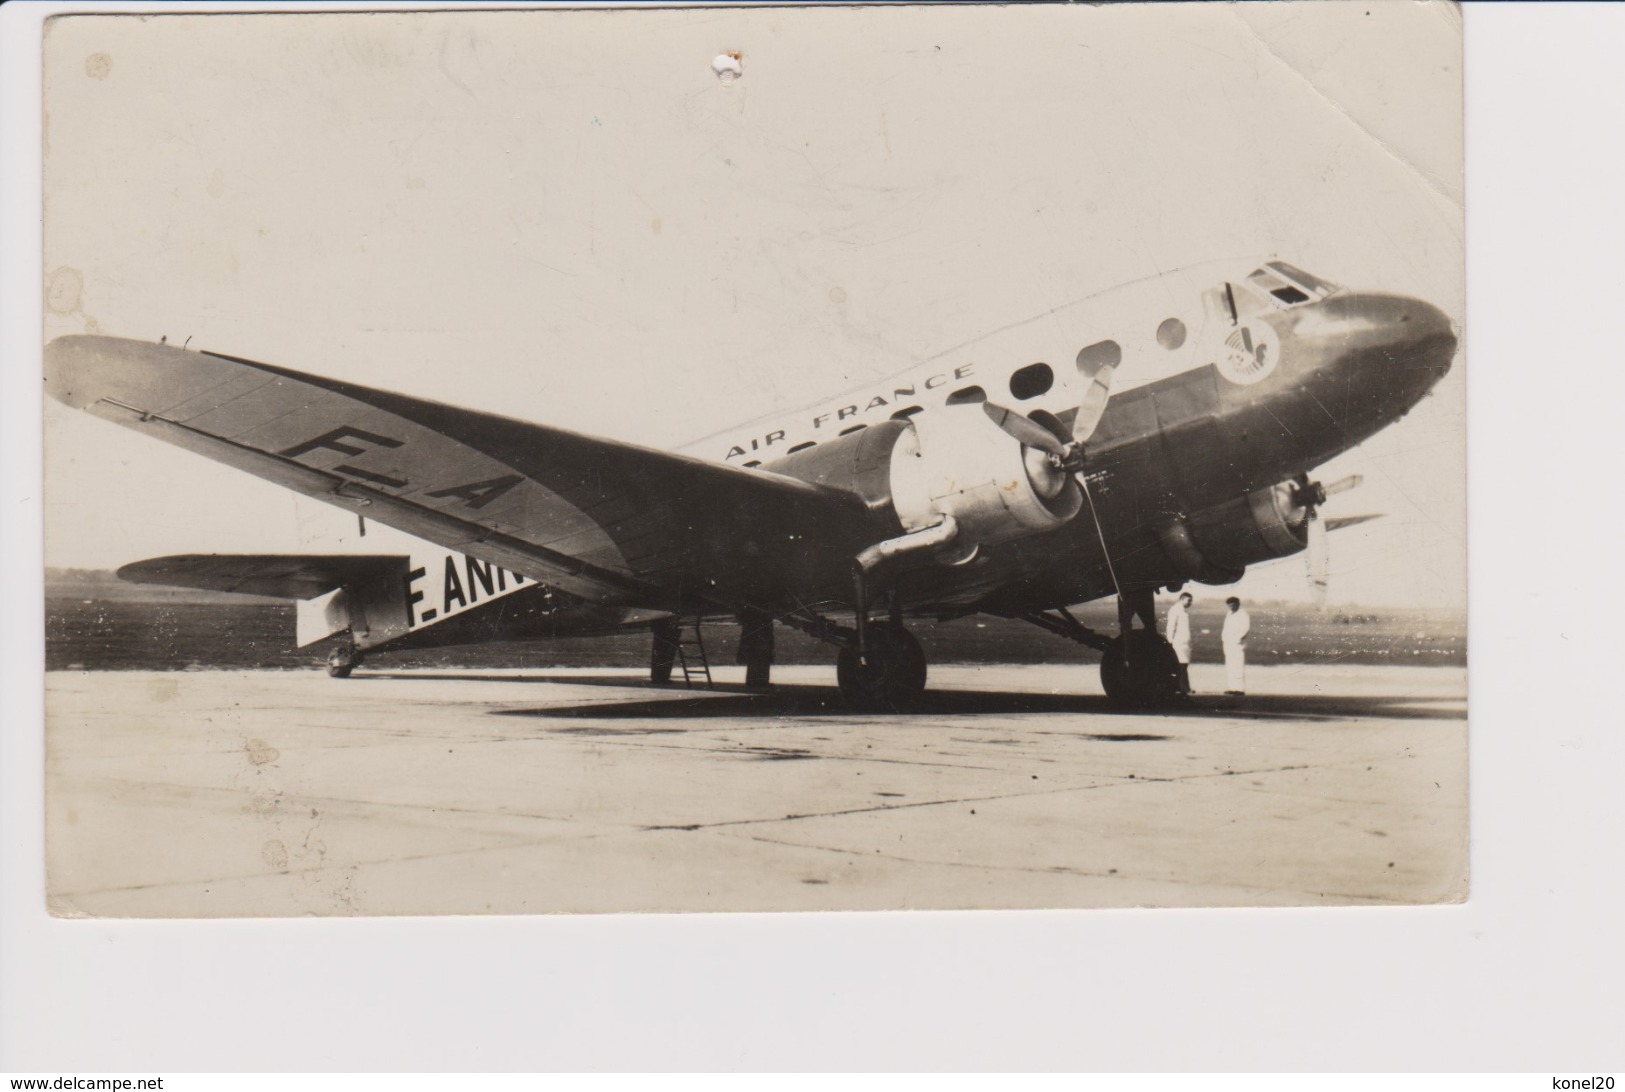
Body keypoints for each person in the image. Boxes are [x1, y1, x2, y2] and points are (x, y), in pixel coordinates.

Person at [1164, 591, 1194, 695]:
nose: (1190, 602)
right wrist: (1170, 641)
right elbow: (1171, 626)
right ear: (1182, 599)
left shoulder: (1184, 611)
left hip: (1185, 643)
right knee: (1181, 665)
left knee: (1184, 665)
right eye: (1189, 600)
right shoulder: (1175, 610)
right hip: (1178, 642)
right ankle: (1183, 688)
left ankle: (1182, 687)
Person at [1222, 596, 1251, 696]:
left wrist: (1237, 639)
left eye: (1233, 605)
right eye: (1229, 605)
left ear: (1238, 604)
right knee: (1230, 666)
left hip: (1237, 644)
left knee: (1238, 666)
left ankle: (1239, 689)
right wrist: (1224, 638)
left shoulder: (1243, 614)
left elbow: (1245, 628)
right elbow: (1226, 628)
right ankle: (1232, 687)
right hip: (1228, 643)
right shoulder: (1229, 613)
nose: (1231, 607)